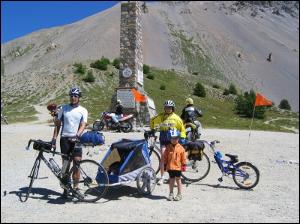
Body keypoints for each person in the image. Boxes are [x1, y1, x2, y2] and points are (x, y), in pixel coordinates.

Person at [51, 87, 88, 198]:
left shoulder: (83, 110)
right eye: (71, 96)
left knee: (77, 164)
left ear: (79, 98)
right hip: (65, 140)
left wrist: (77, 135)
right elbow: (57, 125)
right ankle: (66, 189)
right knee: (65, 166)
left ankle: (76, 188)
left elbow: (83, 124)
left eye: (75, 96)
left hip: (76, 139)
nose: (73, 98)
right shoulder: (63, 108)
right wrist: (54, 139)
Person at [150, 100, 186, 185]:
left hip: (173, 141)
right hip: (163, 139)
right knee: (163, 157)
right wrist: (152, 129)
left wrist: (182, 137)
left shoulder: (177, 118)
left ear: (172, 108)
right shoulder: (161, 116)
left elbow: (182, 129)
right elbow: (152, 121)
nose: (168, 109)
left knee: (174, 159)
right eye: (166, 107)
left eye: (169, 107)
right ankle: (162, 177)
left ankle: (175, 177)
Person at [163, 129, 186, 201]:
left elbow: (183, 158)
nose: (174, 140)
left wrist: (184, 165)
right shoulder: (168, 148)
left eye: (176, 138)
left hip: (178, 168)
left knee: (178, 180)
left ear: (178, 138)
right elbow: (165, 157)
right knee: (171, 180)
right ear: (170, 138)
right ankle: (171, 193)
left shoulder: (181, 148)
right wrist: (164, 165)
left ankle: (179, 194)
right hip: (170, 167)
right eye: (172, 138)